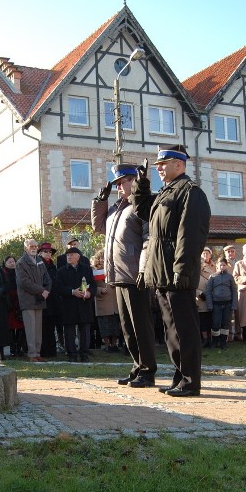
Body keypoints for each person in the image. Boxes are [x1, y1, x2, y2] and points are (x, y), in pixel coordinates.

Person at [132, 144, 211, 396]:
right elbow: (143, 210)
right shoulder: (166, 193)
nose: (159, 169)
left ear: (179, 164)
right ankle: (180, 377)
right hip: (162, 271)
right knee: (171, 330)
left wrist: (182, 268)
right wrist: (141, 184)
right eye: (156, 166)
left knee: (185, 329)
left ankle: (190, 381)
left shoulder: (190, 192)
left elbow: (191, 235)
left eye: (163, 164)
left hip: (178, 272)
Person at [91, 162, 158, 386]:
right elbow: (99, 227)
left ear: (134, 181)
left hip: (134, 275)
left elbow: (149, 240)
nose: (119, 188)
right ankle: (137, 367)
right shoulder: (116, 208)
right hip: (118, 275)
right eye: (117, 184)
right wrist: (100, 202)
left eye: (123, 183)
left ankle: (148, 371)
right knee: (128, 328)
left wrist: (143, 269)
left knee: (141, 326)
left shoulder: (142, 206)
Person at [56, 247, 96, 361]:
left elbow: (93, 285)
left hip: (84, 304)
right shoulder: (61, 271)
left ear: (78, 257)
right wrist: (72, 291)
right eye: (67, 255)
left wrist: (89, 293)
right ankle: (71, 355)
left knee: (85, 331)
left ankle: (84, 354)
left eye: (72, 254)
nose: (69, 256)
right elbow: (58, 288)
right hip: (69, 305)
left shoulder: (87, 269)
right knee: (69, 332)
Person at [16, 239, 51, 362]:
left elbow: (47, 278)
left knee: (38, 329)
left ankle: (37, 353)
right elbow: (24, 282)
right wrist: (41, 290)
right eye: (31, 246)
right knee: (30, 329)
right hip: (28, 300)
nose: (34, 248)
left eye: (36, 246)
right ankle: (31, 354)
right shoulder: (21, 263)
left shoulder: (39, 260)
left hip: (40, 300)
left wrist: (46, 290)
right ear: (26, 248)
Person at [91, 250, 121, 353]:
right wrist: (100, 290)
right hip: (102, 302)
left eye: (104, 257)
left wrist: (116, 285)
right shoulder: (93, 271)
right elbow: (91, 287)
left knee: (115, 325)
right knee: (104, 326)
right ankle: (107, 345)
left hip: (114, 301)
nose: (102, 259)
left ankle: (114, 345)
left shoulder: (114, 269)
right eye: (100, 257)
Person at [205, 257, 238, 349]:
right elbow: (208, 291)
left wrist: (234, 305)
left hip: (228, 304)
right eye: (220, 265)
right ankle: (215, 342)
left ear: (226, 266)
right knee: (216, 323)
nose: (222, 267)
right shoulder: (213, 277)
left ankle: (223, 343)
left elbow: (234, 291)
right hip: (216, 304)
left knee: (225, 324)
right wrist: (210, 305)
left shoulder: (230, 277)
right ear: (217, 266)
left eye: (224, 265)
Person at [38, 242, 62, 358]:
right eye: (45, 252)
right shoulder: (38, 264)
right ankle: (44, 351)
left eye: (50, 252)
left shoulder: (53, 265)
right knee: (43, 326)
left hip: (54, 300)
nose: (48, 254)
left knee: (51, 326)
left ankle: (52, 350)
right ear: (40, 253)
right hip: (43, 299)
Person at [2, 255, 26, 357]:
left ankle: (19, 347)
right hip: (9, 302)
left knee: (21, 325)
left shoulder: (19, 272)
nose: (12, 263)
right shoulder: (3, 273)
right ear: (5, 263)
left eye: (13, 261)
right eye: (9, 262)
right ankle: (12, 348)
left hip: (19, 300)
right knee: (11, 326)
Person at [196, 246, 216, 348]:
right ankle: (204, 339)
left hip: (210, 299)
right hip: (199, 300)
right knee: (202, 321)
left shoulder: (208, 270)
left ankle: (209, 338)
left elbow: (214, 280)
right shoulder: (193, 273)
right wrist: (198, 293)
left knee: (209, 320)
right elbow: (191, 286)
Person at [221, 244, 242, 341]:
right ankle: (229, 334)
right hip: (227, 292)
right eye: (228, 251)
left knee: (238, 313)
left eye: (232, 251)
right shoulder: (222, 264)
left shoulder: (240, 263)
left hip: (238, 291)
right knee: (228, 314)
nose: (230, 253)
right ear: (225, 253)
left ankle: (238, 333)